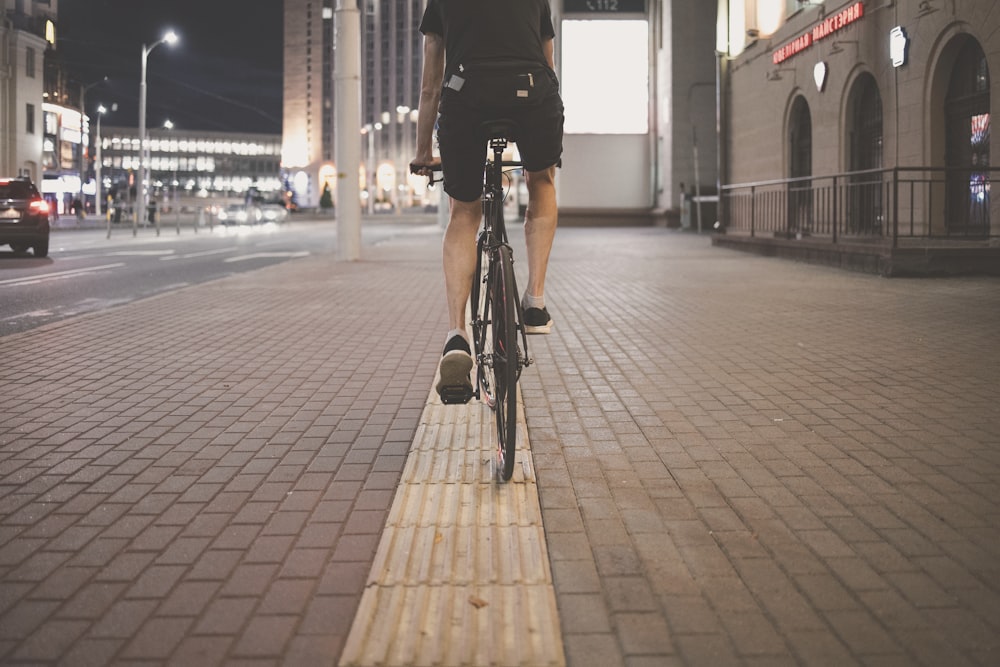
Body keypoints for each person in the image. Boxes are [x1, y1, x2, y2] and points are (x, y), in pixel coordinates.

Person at [411, 0, 564, 403]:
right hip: (532, 93)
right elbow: (549, 65)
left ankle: (457, 335)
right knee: (542, 180)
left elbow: (430, 84)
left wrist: (423, 150)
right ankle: (535, 301)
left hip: (466, 96)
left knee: (464, 212)